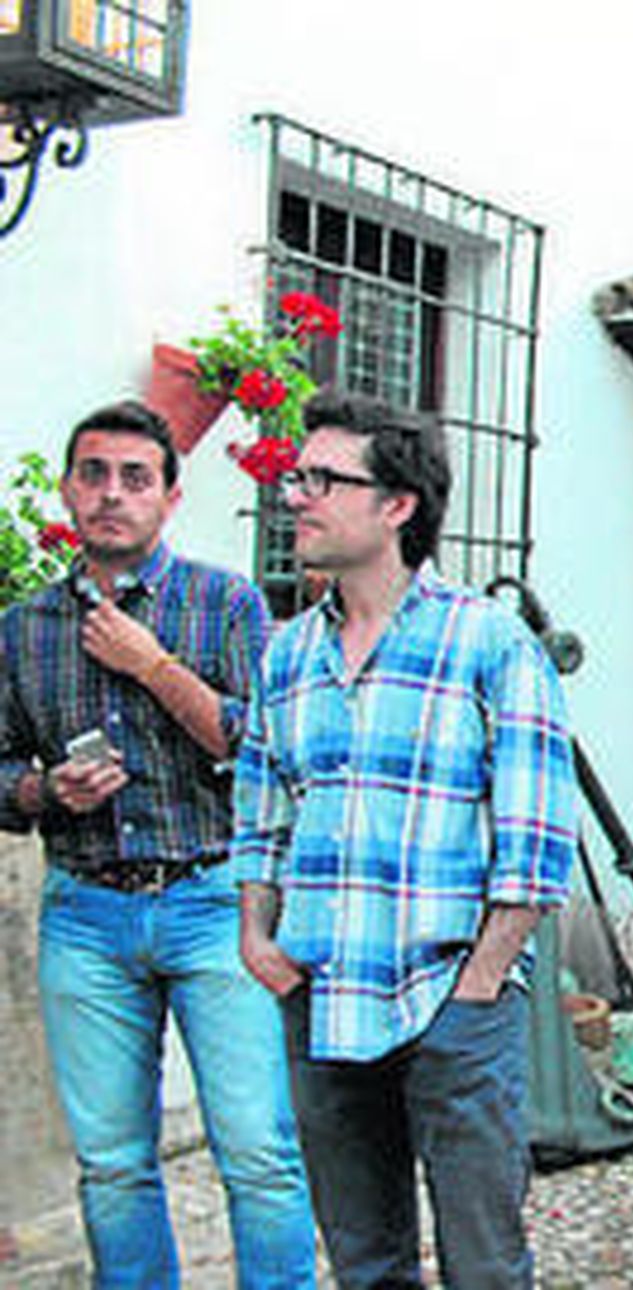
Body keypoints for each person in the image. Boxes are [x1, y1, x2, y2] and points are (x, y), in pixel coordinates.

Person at [233, 391, 578, 1289]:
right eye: (296, 477)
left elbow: (538, 838)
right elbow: (262, 813)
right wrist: (258, 939)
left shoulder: (489, 644)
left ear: (397, 505)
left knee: (485, 1267)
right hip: (321, 996)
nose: (296, 496)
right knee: (365, 1265)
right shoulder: (288, 656)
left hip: (450, 999)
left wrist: (482, 980)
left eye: (323, 480)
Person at [0, 400, 316, 1287]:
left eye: (135, 478)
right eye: (94, 474)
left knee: (258, 1153)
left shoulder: (225, 602)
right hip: (86, 914)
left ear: (170, 498)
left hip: (214, 903)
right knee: (111, 1166)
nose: (112, 494)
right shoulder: (24, 629)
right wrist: (43, 791)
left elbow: (266, 751)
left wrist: (151, 665)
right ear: (69, 491)